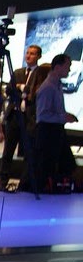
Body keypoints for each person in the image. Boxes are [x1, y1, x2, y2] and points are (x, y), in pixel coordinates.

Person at [28, 54, 78, 194]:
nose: (69, 69)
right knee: (47, 165)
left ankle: (57, 188)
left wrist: (64, 116)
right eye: (67, 66)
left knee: (66, 163)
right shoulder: (47, 87)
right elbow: (42, 115)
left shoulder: (57, 85)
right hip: (48, 131)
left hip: (56, 130)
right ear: (58, 67)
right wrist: (63, 117)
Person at [0, 44, 43, 190]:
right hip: (14, 116)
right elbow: (9, 89)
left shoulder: (40, 74)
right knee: (8, 151)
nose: (28, 56)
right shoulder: (18, 72)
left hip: (29, 118)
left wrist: (25, 89)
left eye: (32, 54)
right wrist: (18, 87)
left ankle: (24, 184)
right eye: (27, 53)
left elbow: (35, 92)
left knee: (28, 152)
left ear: (38, 56)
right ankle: (2, 182)